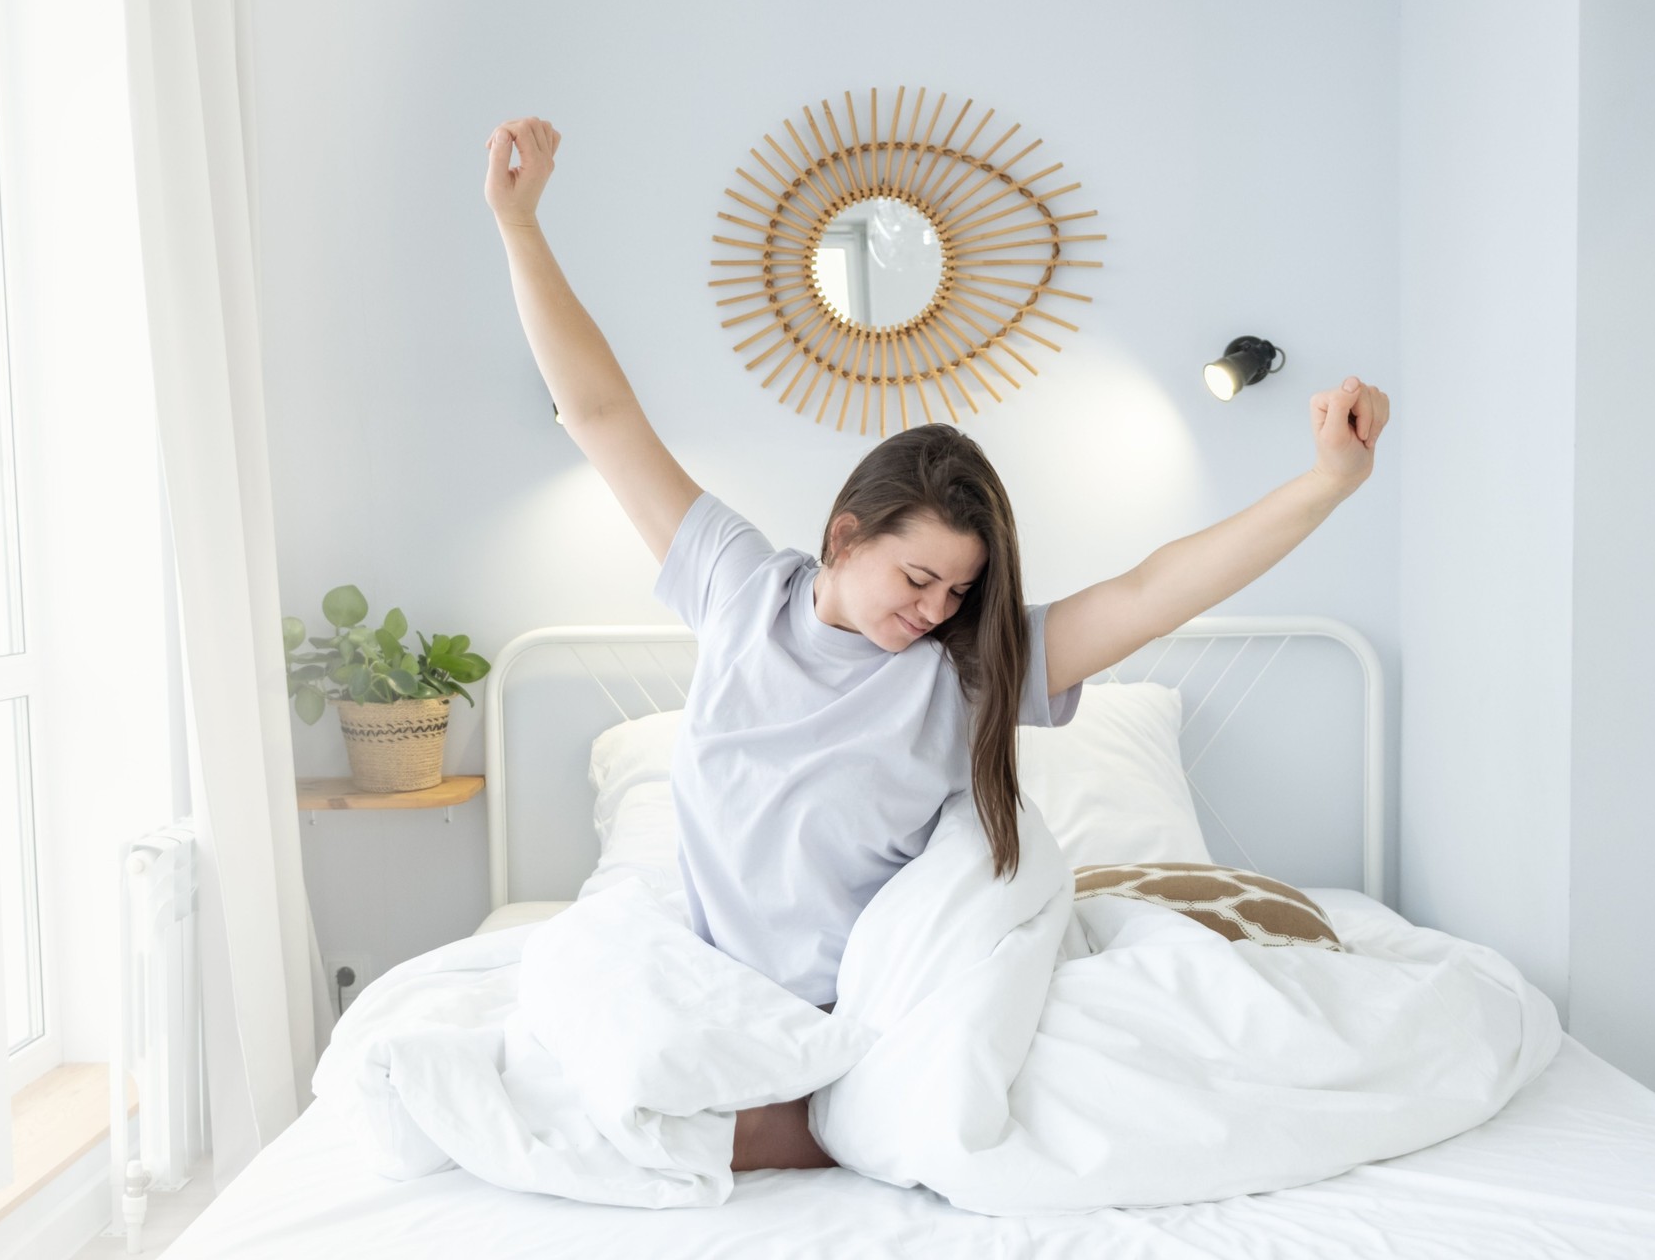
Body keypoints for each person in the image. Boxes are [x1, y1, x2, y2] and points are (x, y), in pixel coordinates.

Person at [482, 116, 1391, 1174]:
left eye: (960, 589)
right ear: (843, 536)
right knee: (559, 1017)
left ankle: (831, 1111)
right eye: (918, 579)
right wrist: (518, 224)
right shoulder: (739, 588)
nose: (935, 609)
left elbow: (1151, 589)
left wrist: (1328, 482)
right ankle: (802, 1115)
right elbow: (600, 411)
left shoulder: (967, 668)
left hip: (883, 995)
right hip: (723, 979)